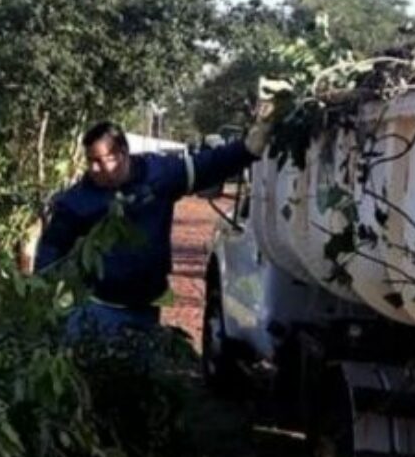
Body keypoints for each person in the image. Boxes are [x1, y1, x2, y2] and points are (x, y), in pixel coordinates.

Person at [35, 118, 272, 338]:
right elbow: (50, 253)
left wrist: (247, 149)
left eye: (100, 160)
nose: (93, 169)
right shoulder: (77, 201)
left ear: (122, 154)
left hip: (146, 310)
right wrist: (42, 303)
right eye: (90, 161)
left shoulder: (157, 174)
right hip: (97, 307)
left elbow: (206, 166)